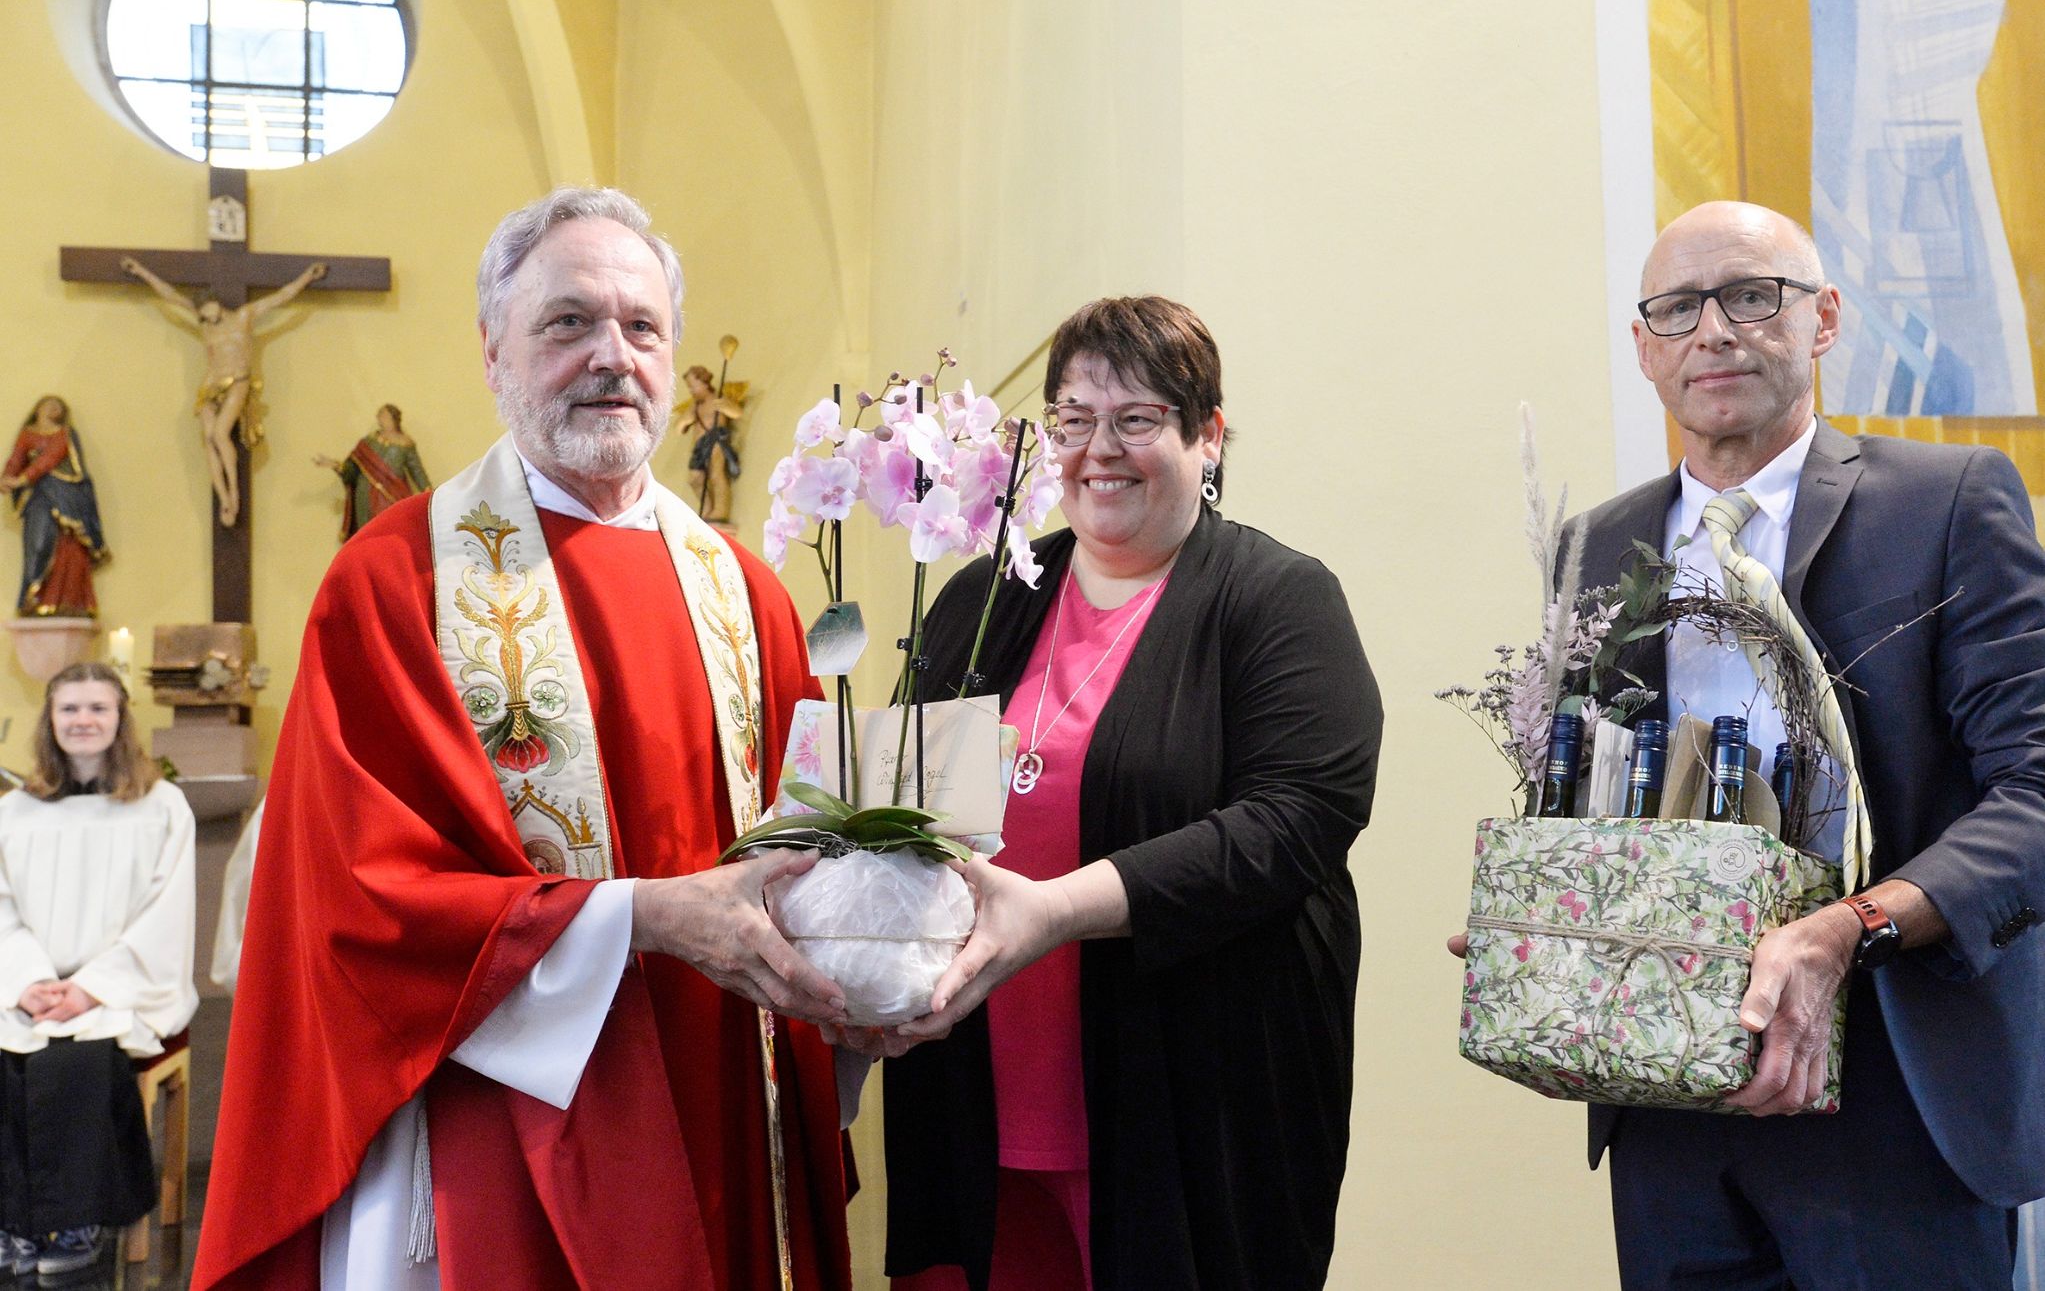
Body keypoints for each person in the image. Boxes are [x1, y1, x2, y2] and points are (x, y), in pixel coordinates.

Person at [192, 187, 853, 1291]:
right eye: (567, 323)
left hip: (727, 1091)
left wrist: (883, 935)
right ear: (492, 349)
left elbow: (816, 844)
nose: (612, 356)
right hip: (504, 1117)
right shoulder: (395, 583)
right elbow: (357, 899)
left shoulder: (748, 594)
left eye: (641, 327)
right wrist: (641, 917)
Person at [1524, 200, 2045, 1287]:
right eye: (1676, 307)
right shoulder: (1594, 546)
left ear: (1822, 321)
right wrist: (1541, 928)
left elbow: (2033, 789)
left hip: (1896, 1083)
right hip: (1668, 1099)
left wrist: (1845, 931)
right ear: (1643, 349)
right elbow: (1583, 799)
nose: (1711, 330)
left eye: (1749, 297)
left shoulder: (1945, 502)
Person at [868, 297, 1383, 1290]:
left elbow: (1294, 824)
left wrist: (1052, 911)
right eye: (1071, 420)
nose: (1097, 450)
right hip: (977, 1094)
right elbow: (903, 814)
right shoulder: (986, 600)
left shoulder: (1276, 600)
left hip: (1185, 1106)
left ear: (1209, 437)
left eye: (1136, 419)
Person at [0, 661, 198, 1285]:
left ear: (120, 720)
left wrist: (89, 988)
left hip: (120, 989)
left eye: (97, 709)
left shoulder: (161, 806)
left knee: (73, 1062)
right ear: (50, 721)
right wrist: (27, 980)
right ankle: (13, 1223)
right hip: (25, 988)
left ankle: (71, 1224)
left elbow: (168, 914)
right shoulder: (16, 811)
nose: (83, 721)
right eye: (69, 709)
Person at [120, 255, 328, 528]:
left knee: (220, 434)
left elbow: (280, 297)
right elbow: (170, 295)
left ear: (215, 303)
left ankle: (234, 494)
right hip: (210, 385)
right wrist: (141, 272)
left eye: (209, 312)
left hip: (238, 382)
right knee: (208, 438)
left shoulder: (244, 316)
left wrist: (307, 277)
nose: (207, 320)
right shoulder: (204, 322)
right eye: (203, 316)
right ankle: (222, 498)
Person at [0, 396, 109, 617]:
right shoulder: (27, 434)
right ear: (38, 408)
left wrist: (22, 479)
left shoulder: (65, 433)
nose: (55, 408)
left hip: (68, 494)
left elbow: (50, 458)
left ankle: (69, 601)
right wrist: (6, 478)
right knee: (38, 543)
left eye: (59, 406)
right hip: (38, 496)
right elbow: (16, 459)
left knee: (70, 547)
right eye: (50, 404)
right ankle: (34, 598)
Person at [314, 404, 431, 540]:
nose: (379, 418)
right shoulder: (368, 442)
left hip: (392, 495)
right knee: (367, 534)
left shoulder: (405, 444)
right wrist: (334, 464)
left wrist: (429, 493)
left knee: (391, 532)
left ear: (393, 419)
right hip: (365, 496)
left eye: (382, 415)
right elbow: (351, 470)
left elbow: (417, 471)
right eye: (379, 415)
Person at [678, 363, 743, 524]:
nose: (692, 391)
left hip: (715, 440)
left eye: (693, 387)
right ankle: (707, 509)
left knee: (716, 475)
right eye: (690, 388)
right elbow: (678, 428)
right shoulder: (695, 406)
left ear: (704, 383)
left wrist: (727, 408)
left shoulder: (717, 400)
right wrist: (684, 421)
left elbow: (737, 413)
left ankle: (720, 511)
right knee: (695, 480)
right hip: (699, 447)